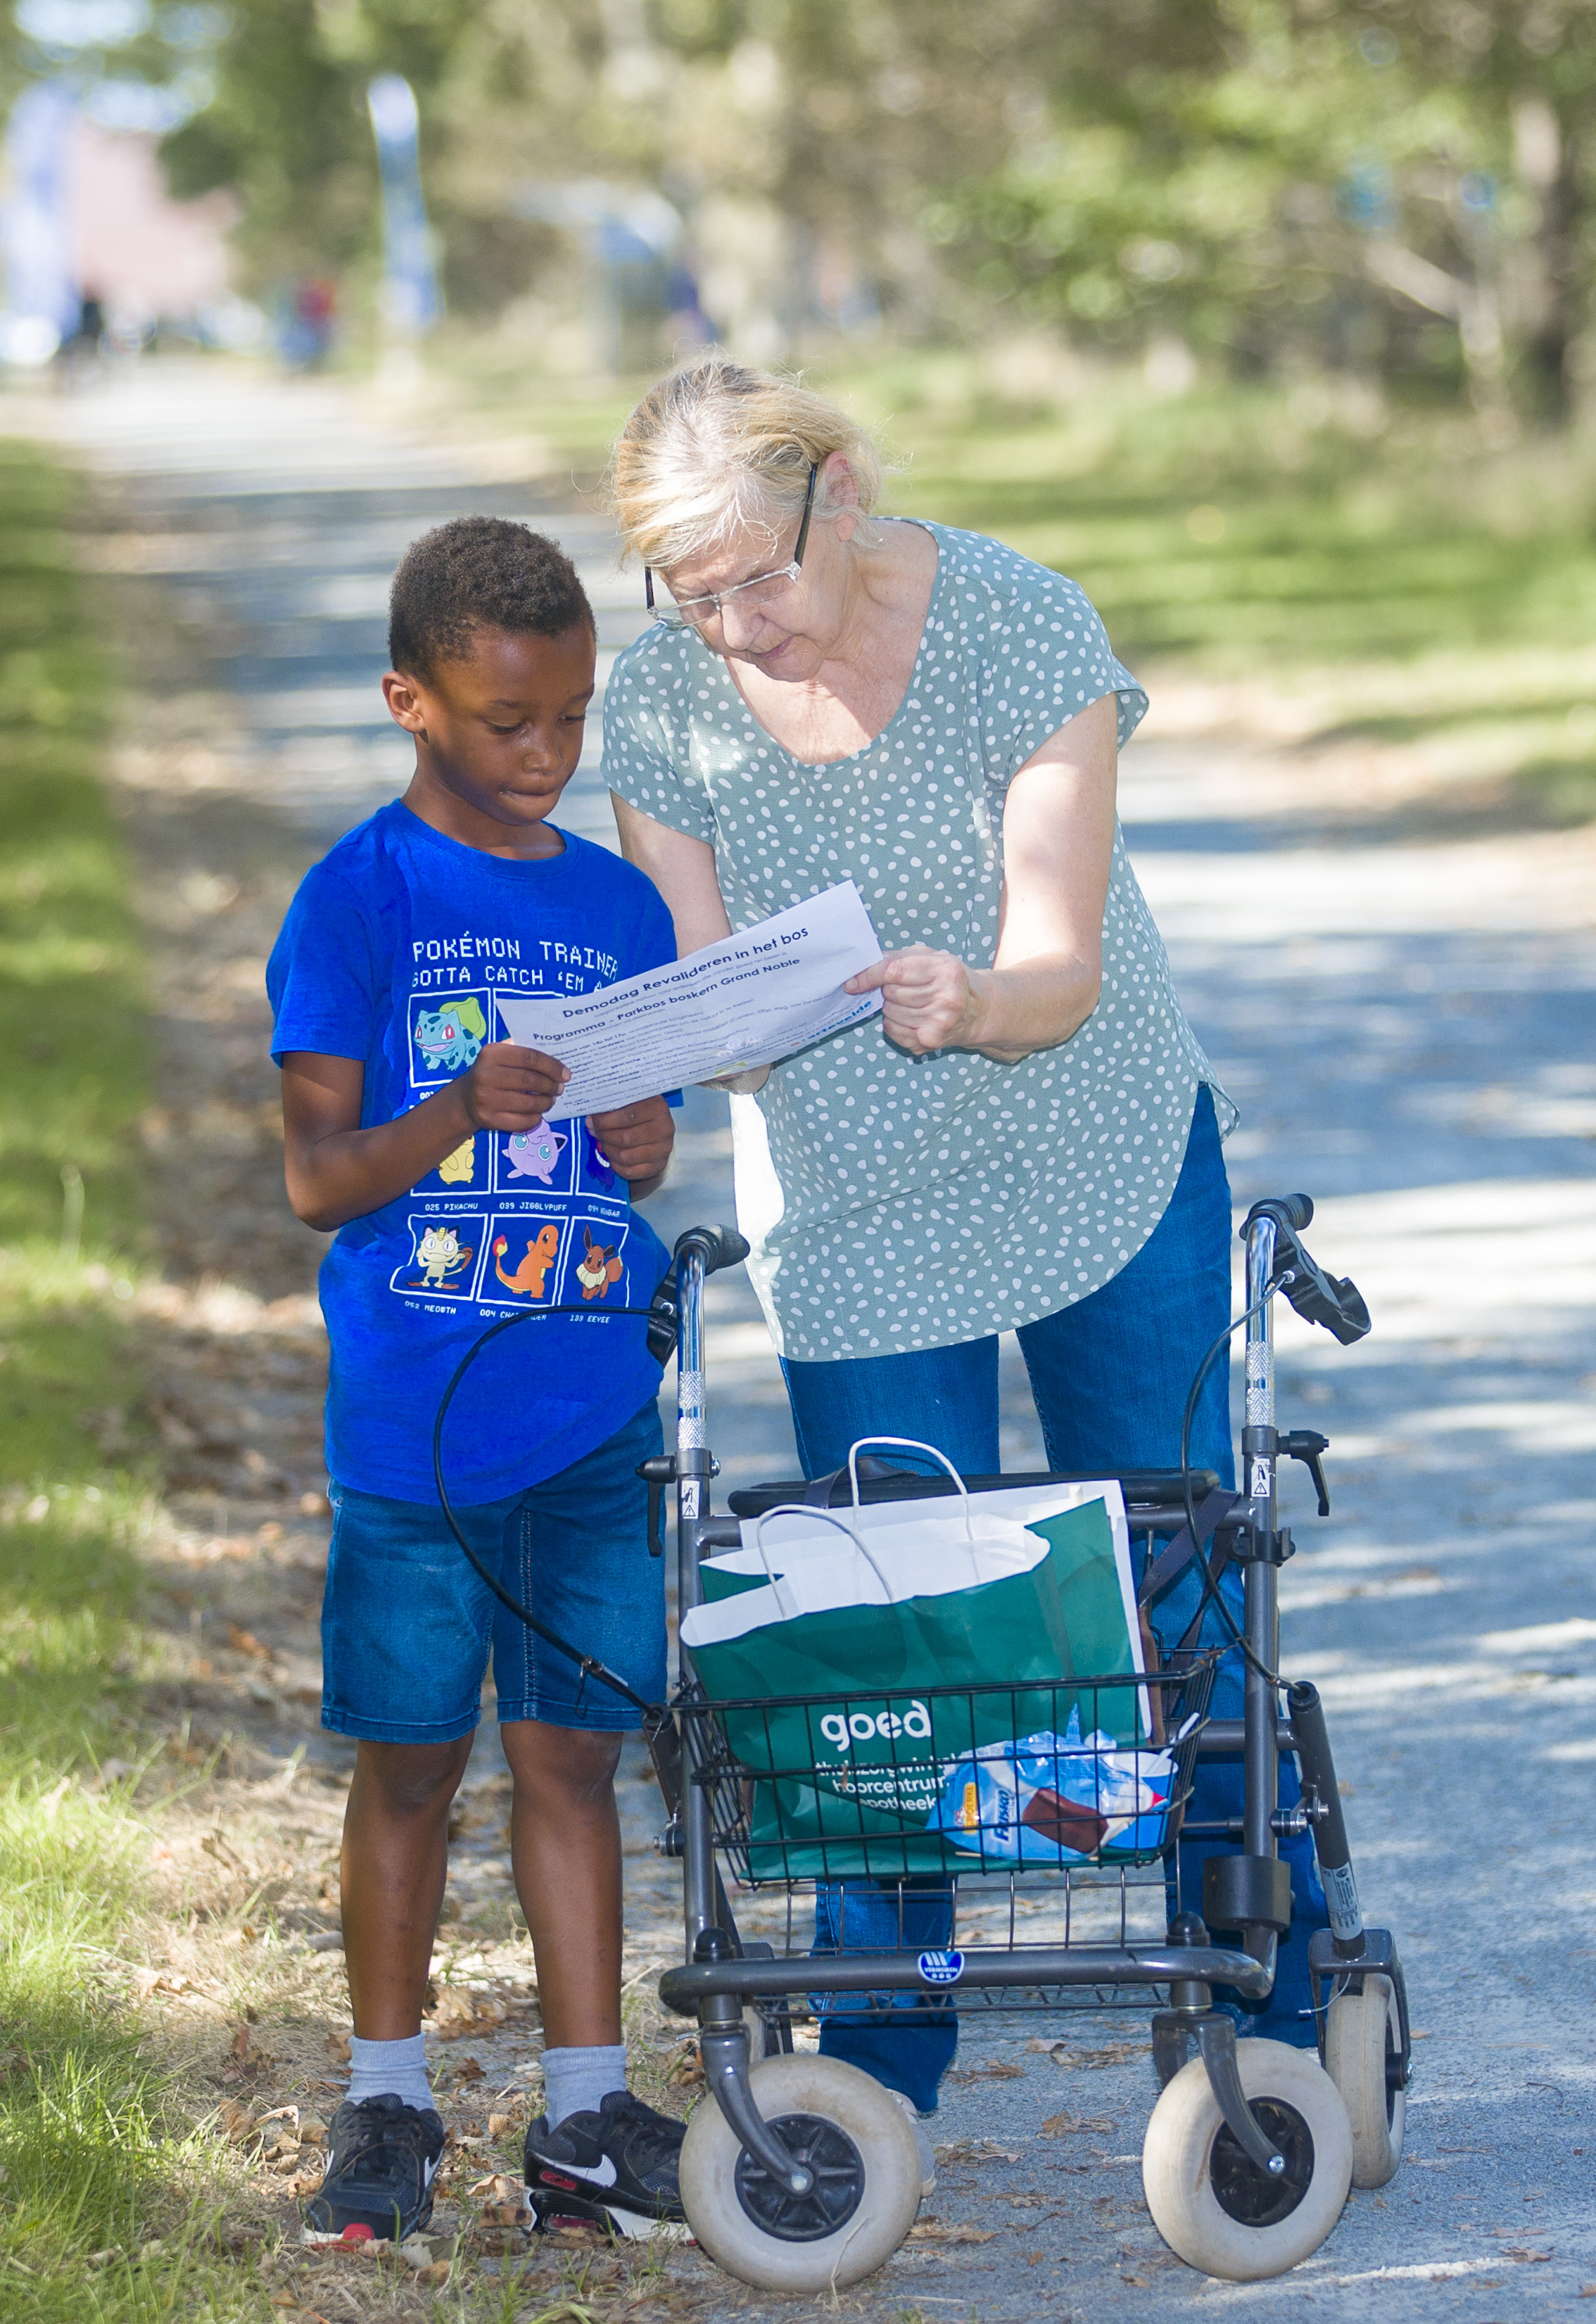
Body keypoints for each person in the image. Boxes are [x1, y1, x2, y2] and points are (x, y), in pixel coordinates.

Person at [596, 358, 1326, 2116]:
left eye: (753, 579)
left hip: (1095, 1140)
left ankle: (1269, 2009)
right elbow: (711, 1008)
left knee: (1175, 1579)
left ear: (837, 487)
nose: (734, 627)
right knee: (893, 1610)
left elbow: (1058, 963)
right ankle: (881, 2047)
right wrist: (683, 1045)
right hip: (855, 1199)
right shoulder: (662, 706)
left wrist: (972, 994)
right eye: (689, 596)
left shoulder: (1020, 622)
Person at [265, 516, 690, 2244]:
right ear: (409, 701)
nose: (547, 756)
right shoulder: (356, 897)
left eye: (572, 720)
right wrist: (457, 1110)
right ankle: (385, 2099)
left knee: (574, 1762)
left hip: (590, 1403)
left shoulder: (614, 901)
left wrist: (641, 1141)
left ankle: (587, 2119)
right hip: (418, 1419)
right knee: (413, 1766)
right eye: (508, 722)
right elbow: (316, 1174)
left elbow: (631, 1154)